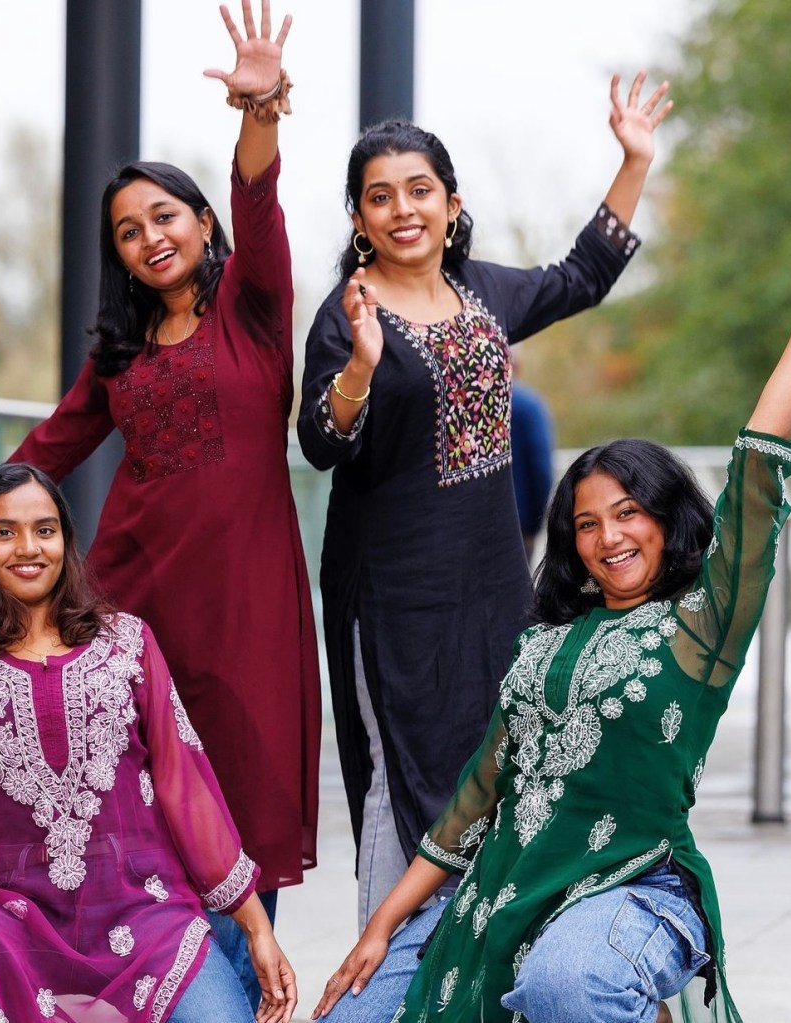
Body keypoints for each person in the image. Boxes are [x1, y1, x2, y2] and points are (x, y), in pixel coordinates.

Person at [0, 1, 320, 1006]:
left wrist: (259, 113)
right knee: (130, 802)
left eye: (164, 216)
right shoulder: (120, 353)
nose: (148, 238)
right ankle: (109, 973)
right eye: (128, 232)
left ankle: (231, 984)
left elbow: (260, 206)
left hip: (247, 608)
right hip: (131, 598)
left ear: (200, 223)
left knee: (243, 798)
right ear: (119, 256)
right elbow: (53, 442)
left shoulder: (255, 312)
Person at [310, 257, 791, 1023]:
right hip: (497, 895)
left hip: (632, 884)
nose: (608, 536)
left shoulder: (701, 624)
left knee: (568, 986)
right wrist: (380, 929)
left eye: (628, 513)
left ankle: (644, 994)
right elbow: (469, 806)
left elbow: (756, 479)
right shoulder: (543, 645)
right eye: (586, 523)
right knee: (347, 1014)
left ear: (664, 519)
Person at [297, 72, 672, 932]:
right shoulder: (346, 312)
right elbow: (321, 442)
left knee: (502, 766)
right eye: (380, 197)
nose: (402, 210)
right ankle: (393, 973)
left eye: (419, 191)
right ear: (358, 219)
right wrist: (358, 365)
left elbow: (583, 275)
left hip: (492, 587)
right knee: (405, 781)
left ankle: (485, 959)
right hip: (392, 597)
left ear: (450, 203)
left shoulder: (483, 297)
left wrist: (634, 160)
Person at [0, 463, 297, 1023]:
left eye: (45, 529)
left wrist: (256, 930)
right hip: (6, 921)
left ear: (65, 540)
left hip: (144, 919)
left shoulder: (127, 642)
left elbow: (183, 784)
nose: (29, 548)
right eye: (4, 532)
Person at [509, 349, 555, 562]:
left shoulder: (465, 406)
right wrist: (536, 523)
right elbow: (541, 468)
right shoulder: (528, 407)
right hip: (520, 523)